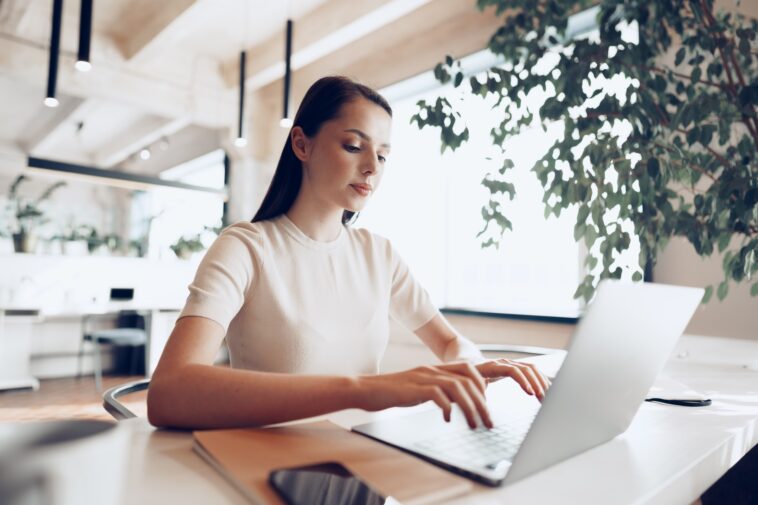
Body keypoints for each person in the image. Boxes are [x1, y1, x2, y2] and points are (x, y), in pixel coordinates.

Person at [147, 75, 550, 431]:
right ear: (302, 144)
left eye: (384, 155)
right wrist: (363, 389)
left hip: (362, 459)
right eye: (355, 146)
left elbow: (450, 344)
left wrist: (468, 366)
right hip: (271, 465)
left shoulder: (379, 254)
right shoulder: (246, 248)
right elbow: (169, 391)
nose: (373, 166)